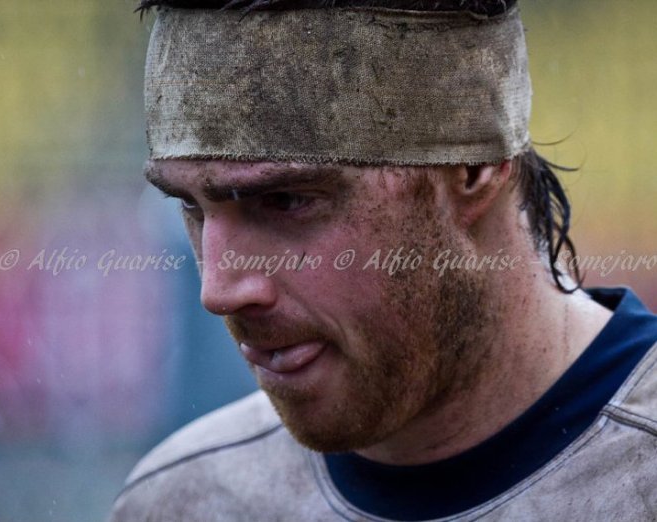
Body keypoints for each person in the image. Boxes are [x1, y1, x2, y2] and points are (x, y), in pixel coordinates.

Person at [110, 1, 657, 520]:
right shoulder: (182, 501)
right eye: (191, 206)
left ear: (472, 167)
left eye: (287, 200)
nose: (219, 291)